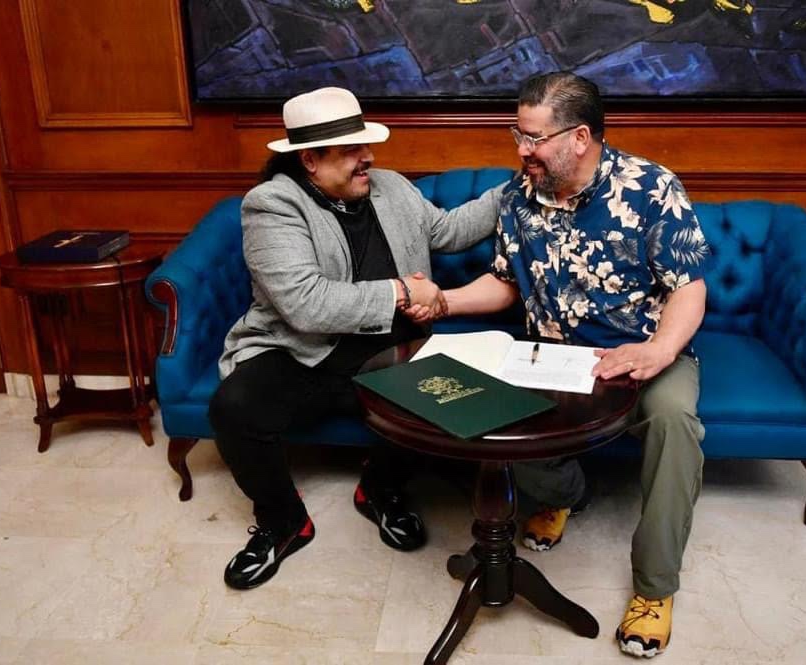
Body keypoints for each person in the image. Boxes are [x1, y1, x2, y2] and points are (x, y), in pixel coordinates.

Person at [431, 72, 709, 658]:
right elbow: (506, 283)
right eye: (518, 135)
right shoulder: (518, 195)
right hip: (551, 357)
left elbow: (688, 287)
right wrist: (443, 301)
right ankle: (565, 494)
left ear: (580, 137)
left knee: (675, 423)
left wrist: (660, 350)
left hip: (639, 353)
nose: (522, 150)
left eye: (533, 138)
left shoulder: (650, 187)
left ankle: (655, 589)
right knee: (490, 417)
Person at [208, 87, 502, 590]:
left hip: (391, 347)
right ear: (310, 160)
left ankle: (380, 491)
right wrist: (401, 291)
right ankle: (283, 521)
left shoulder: (389, 187)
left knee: (443, 404)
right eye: (351, 150)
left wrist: (514, 189)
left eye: (365, 145)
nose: (368, 157)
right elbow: (306, 304)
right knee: (233, 409)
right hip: (302, 350)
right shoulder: (272, 205)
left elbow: (448, 231)